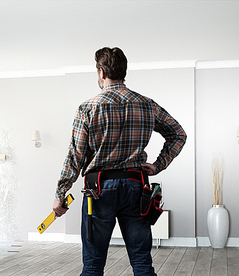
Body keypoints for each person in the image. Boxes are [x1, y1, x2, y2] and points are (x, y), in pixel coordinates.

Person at [52, 47, 187, 275]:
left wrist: (60, 193)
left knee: (93, 264)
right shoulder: (146, 104)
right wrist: (158, 164)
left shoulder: (88, 108)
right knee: (142, 261)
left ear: (102, 72)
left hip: (98, 191)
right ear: (123, 71)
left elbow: (75, 155)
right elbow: (178, 133)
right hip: (136, 187)